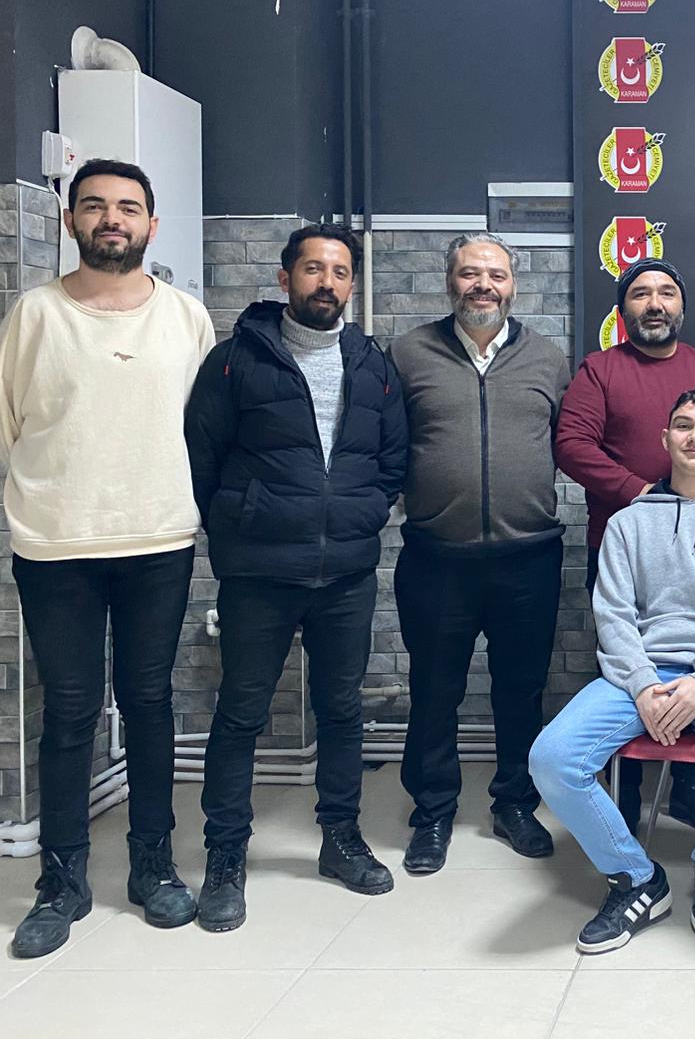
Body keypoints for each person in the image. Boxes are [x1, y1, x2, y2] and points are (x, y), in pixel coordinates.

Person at [2, 160, 213, 958]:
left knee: (150, 702)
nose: (111, 219)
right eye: (94, 206)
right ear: (71, 222)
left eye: (127, 207)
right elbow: (8, 423)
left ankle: (153, 868)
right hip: (56, 543)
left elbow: (203, 428)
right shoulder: (35, 315)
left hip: (158, 540)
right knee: (69, 710)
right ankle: (61, 883)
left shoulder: (186, 318)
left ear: (151, 225)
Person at [185, 223, 407, 930]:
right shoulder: (236, 361)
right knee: (241, 713)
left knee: (342, 711)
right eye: (313, 269)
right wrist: (238, 521)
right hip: (259, 572)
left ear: (352, 285)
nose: (326, 283)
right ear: (285, 279)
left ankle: (340, 839)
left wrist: (364, 513)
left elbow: (393, 459)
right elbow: (201, 455)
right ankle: (225, 854)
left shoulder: (372, 364)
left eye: (339, 272)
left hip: (345, 572)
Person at [530, 389, 695, 951]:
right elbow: (613, 613)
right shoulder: (627, 524)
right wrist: (643, 684)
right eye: (684, 425)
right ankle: (637, 877)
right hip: (640, 671)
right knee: (552, 759)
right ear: (665, 438)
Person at [555, 257, 695, 833]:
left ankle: (687, 791)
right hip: (626, 548)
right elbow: (571, 444)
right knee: (629, 663)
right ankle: (623, 794)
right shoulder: (600, 370)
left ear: (682, 307)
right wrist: (643, 493)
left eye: (666, 293)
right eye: (641, 294)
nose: (654, 304)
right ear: (623, 309)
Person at [388, 235, 572, 874]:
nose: (483, 285)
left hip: (529, 557)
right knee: (434, 689)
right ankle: (432, 813)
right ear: (450, 281)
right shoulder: (407, 355)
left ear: (514, 285)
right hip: (437, 556)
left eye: (496, 274)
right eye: (470, 273)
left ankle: (514, 804)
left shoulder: (548, 359)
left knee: (521, 690)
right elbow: (385, 444)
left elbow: (567, 444)